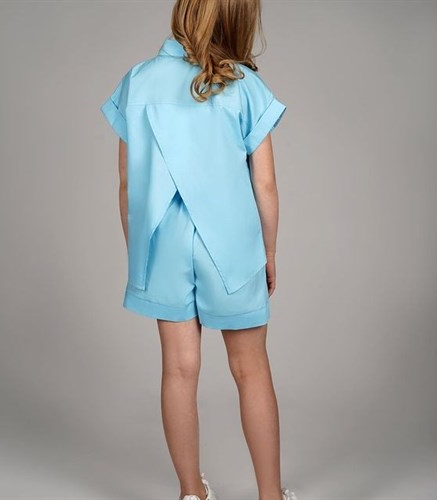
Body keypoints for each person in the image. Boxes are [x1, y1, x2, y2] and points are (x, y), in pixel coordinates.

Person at [100, 1, 296, 499]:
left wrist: (138, 254)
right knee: (251, 370)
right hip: (230, 246)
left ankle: (192, 493)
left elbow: (126, 185)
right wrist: (269, 251)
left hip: (162, 242)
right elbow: (265, 185)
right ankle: (271, 496)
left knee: (178, 369)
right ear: (239, 20)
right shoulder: (244, 86)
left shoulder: (138, 81)